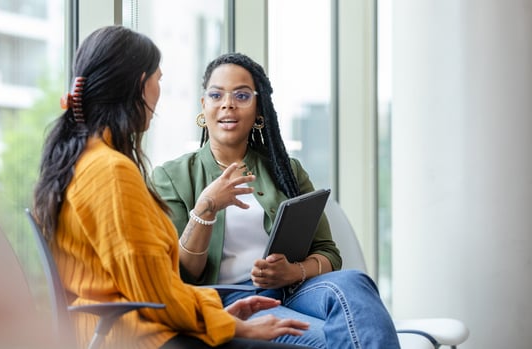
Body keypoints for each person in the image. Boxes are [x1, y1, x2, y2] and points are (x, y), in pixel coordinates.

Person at [32, 26, 311, 349]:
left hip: (126, 327)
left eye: (241, 95)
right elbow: (154, 293)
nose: (228, 105)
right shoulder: (111, 172)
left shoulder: (84, 161)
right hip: (137, 336)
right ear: (141, 85)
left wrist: (217, 314)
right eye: (159, 79)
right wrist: (233, 326)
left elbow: (152, 286)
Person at [151, 52, 401, 349]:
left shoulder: (287, 171)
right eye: (216, 94)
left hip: (298, 289)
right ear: (204, 107)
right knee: (328, 340)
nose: (228, 103)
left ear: (259, 111)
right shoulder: (171, 176)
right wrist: (207, 206)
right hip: (233, 298)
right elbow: (182, 272)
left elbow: (328, 254)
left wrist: (292, 272)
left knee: (355, 283)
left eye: (241, 95)